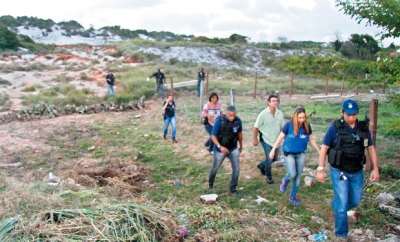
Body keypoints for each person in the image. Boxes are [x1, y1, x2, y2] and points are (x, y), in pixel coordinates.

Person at [317, 99, 379, 240]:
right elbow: (324, 148)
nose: (351, 117)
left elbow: (370, 148)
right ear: (342, 112)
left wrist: (375, 168)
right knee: (342, 205)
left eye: (354, 114)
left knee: (355, 200)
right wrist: (320, 169)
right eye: (348, 114)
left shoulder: (363, 128)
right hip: (339, 171)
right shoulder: (335, 127)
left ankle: (338, 204)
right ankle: (341, 234)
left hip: (356, 171)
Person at [269, 107, 320, 205]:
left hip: (301, 154)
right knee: (292, 173)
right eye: (300, 118)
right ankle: (285, 179)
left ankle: (292, 196)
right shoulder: (288, 125)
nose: (302, 120)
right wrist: (273, 150)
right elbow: (280, 137)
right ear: (295, 117)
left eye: (303, 117)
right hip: (289, 154)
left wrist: (319, 150)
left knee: (298, 176)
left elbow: (311, 139)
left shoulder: (307, 126)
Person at [208, 105, 243, 197]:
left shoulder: (238, 121)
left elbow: (239, 134)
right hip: (220, 149)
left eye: (234, 115)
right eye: (230, 115)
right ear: (227, 114)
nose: (232, 118)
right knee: (215, 167)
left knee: (237, 168)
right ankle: (210, 185)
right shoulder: (220, 121)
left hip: (232, 148)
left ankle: (233, 189)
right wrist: (220, 147)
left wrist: (241, 146)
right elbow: (213, 136)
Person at [253, 94, 284, 184]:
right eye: (273, 101)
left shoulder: (280, 114)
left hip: (276, 140)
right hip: (265, 139)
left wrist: (283, 138)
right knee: (269, 158)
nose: (275, 102)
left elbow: (282, 127)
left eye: (276, 101)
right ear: (268, 103)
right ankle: (268, 177)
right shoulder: (263, 114)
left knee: (274, 158)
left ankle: (262, 165)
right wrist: (255, 139)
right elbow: (256, 127)